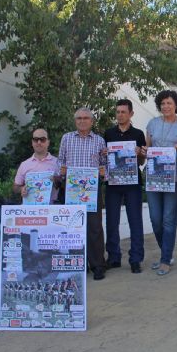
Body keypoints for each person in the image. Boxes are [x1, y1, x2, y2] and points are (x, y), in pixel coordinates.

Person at [141, 90, 177, 276]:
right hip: (154, 177)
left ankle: (165, 259)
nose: (166, 106)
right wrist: (144, 151)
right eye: (162, 103)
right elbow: (147, 149)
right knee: (155, 219)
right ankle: (167, 253)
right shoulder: (152, 124)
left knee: (169, 219)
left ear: (176, 105)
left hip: (175, 178)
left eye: (169, 103)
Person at [58, 107, 107, 281]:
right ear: (75, 121)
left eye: (86, 118)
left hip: (91, 192)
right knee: (72, 229)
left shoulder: (99, 141)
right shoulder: (66, 138)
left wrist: (104, 173)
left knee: (94, 229)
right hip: (71, 192)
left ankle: (98, 265)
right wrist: (61, 171)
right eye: (78, 118)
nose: (82, 121)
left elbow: (105, 164)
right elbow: (60, 161)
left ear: (92, 121)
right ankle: (78, 265)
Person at [103, 99, 147, 274]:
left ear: (131, 114)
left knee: (135, 221)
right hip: (113, 182)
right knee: (111, 220)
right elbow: (105, 160)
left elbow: (142, 161)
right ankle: (113, 257)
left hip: (132, 182)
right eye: (118, 112)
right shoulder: (108, 134)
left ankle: (136, 259)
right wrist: (105, 153)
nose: (120, 115)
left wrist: (140, 154)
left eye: (123, 112)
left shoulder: (138, 134)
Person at [13, 128, 60, 203]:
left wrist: (57, 180)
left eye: (43, 139)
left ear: (48, 142)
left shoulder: (58, 163)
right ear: (32, 142)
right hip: (30, 210)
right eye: (35, 139)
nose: (39, 142)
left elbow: (66, 185)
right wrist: (21, 189)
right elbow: (15, 187)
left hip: (52, 209)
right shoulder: (24, 165)